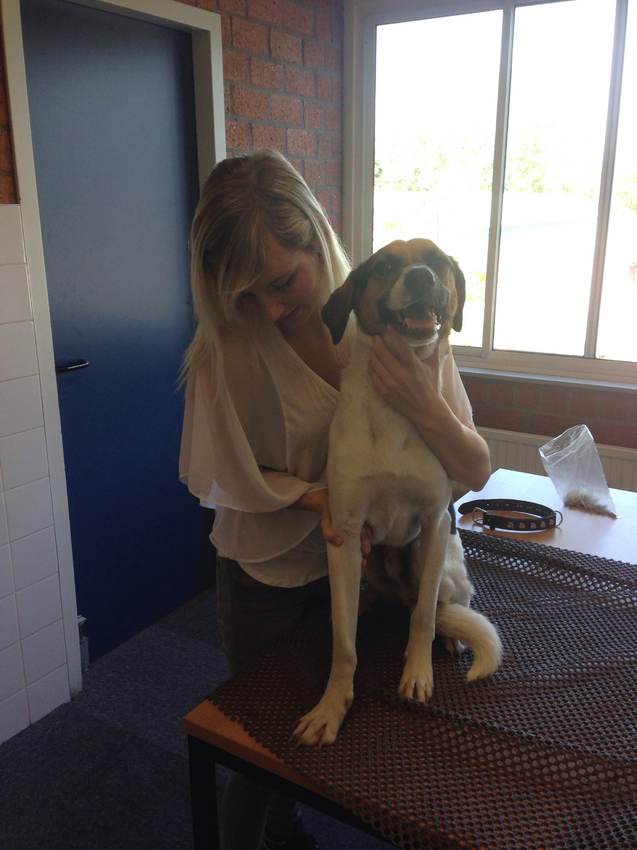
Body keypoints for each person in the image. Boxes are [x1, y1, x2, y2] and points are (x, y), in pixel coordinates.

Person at [179, 149, 491, 850]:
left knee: (339, 726)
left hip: (352, 569)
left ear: (316, 239)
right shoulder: (229, 347)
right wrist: (321, 498)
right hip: (265, 571)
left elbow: (471, 469)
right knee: (256, 744)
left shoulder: (385, 317)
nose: (271, 310)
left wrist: (426, 405)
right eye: (246, 296)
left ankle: (289, 828)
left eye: (282, 283)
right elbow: (224, 472)